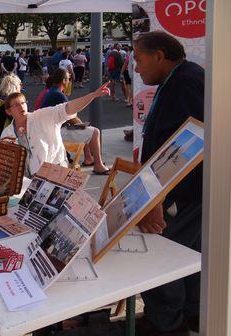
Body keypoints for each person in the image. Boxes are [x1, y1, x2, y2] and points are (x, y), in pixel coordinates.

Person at [134, 31, 204, 336]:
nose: (136, 68)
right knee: (187, 256)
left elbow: (185, 147)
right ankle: (190, 316)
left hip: (185, 192)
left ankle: (167, 324)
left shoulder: (186, 81)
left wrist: (155, 199)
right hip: (188, 191)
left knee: (163, 254)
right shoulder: (181, 79)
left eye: (138, 59)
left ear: (159, 55)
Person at [0, 82, 110, 177]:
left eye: (23, 103)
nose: (22, 107)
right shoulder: (7, 133)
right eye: (16, 105)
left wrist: (93, 95)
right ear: (9, 111)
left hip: (54, 172)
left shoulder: (42, 116)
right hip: (25, 179)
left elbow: (68, 108)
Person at [40, 69, 110, 175]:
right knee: (94, 132)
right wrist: (82, 125)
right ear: (64, 80)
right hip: (55, 133)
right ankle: (98, 165)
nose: (69, 81)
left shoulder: (52, 92)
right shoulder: (58, 95)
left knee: (84, 131)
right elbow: (71, 117)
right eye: (69, 79)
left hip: (50, 130)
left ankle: (88, 158)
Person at [0, 74, 22, 139]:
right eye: (20, 84)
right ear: (15, 86)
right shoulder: (11, 102)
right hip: (7, 137)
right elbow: (20, 121)